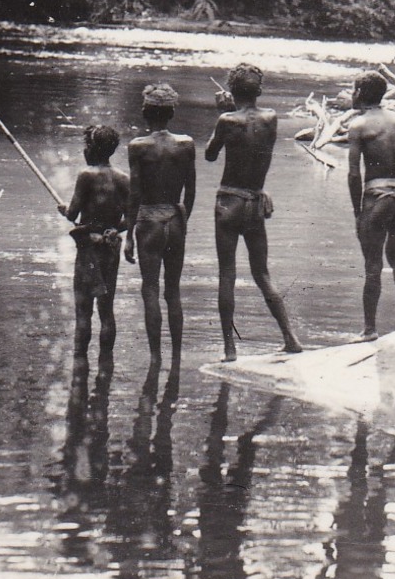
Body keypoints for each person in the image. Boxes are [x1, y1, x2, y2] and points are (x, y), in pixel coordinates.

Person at [204, 63, 302, 361]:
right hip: (255, 201)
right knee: (262, 273)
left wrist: (221, 113)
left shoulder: (226, 120)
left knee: (227, 274)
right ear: (259, 90)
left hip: (229, 201)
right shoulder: (271, 118)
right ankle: (291, 338)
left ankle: (230, 349)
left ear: (231, 90)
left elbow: (210, 155)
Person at [346, 70, 395, 340]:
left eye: (354, 90)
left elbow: (354, 174)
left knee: (372, 264)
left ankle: (369, 329)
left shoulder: (358, 126)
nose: (352, 94)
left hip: (377, 197)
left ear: (362, 94)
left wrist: (358, 212)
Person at [125, 83, 196, 364]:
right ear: (171, 113)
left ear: (145, 112)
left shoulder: (138, 147)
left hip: (149, 219)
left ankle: (156, 358)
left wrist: (129, 234)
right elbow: (190, 191)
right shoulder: (186, 144)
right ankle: (176, 357)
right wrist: (182, 219)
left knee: (150, 289)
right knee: (173, 290)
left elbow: (134, 192)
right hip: (175, 218)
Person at [59, 124, 130, 366]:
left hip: (88, 247)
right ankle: (105, 363)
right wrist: (114, 229)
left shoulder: (86, 175)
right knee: (106, 309)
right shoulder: (123, 178)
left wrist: (65, 211)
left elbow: (72, 213)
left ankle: (79, 363)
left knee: (83, 310)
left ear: (91, 148)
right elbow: (132, 217)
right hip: (110, 247)